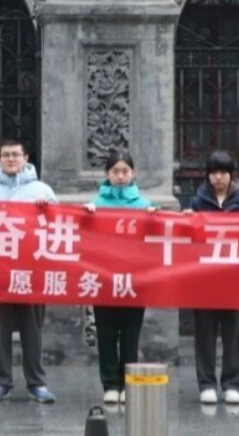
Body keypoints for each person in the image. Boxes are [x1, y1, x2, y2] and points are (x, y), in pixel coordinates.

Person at [0, 138, 59, 404]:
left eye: (15, 154)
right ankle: (0, 382)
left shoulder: (41, 189)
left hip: (31, 273)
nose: (11, 159)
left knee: (32, 330)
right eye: (5, 155)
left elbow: (59, 228)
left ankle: (37, 382)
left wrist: (48, 210)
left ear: (26, 158)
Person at [186, 150, 239, 405]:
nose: (219, 178)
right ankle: (206, 383)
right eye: (214, 172)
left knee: (233, 333)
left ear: (231, 174)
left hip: (233, 277)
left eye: (223, 172)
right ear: (207, 175)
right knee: (204, 333)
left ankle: (231, 384)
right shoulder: (197, 202)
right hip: (204, 277)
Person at [83, 151, 155, 404]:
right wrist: (86, 218)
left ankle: (127, 383)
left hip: (135, 280)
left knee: (130, 334)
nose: (121, 176)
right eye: (115, 172)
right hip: (104, 279)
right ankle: (110, 384)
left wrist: (154, 218)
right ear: (107, 174)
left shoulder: (144, 205)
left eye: (125, 171)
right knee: (106, 333)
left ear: (133, 173)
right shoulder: (96, 204)